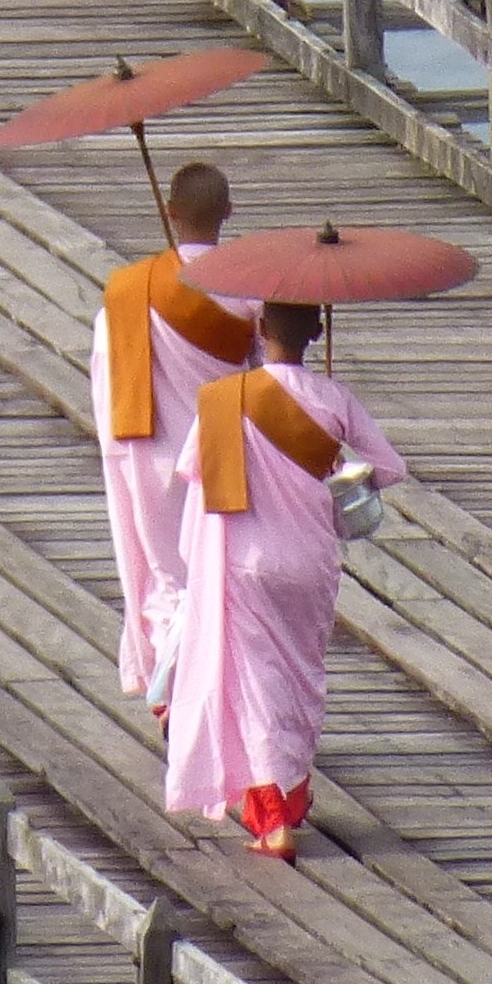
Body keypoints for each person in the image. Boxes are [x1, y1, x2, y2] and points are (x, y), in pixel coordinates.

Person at [165, 301, 406, 861]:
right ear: (317, 332)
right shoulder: (335, 398)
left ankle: (273, 821)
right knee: (301, 678)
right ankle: (292, 797)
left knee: (257, 685)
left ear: (260, 329)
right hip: (310, 563)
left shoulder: (224, 398)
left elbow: (191, 470)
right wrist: (333, 466)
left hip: (247, 561)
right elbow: (390, 467)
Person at [90, 162, 257, 710]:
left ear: (171, 212)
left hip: (152, 450)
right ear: (228, 212)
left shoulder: (130, 289)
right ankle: (215, 691)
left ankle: (169, 694)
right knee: (220, 577)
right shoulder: (247, 292)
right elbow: (265, 376)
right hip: (222, 453)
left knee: (167, 577)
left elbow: (106, 372)